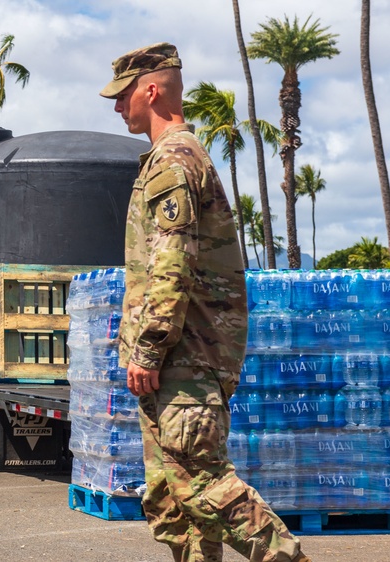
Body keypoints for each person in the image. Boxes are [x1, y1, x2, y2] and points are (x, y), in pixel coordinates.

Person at [100, 43, 310, 562]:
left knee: (205, 488)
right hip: (179, 359)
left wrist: (148, 349)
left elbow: (172, 265)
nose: (116, 107)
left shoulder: (173, 160)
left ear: (151, 90)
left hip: (184, 358)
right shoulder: (171, 158)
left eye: (122, 95)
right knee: (176, 503)